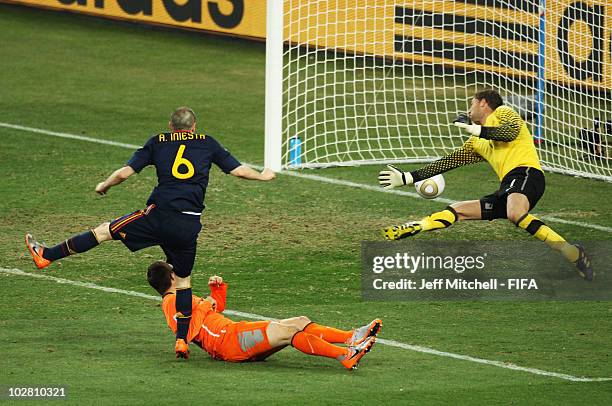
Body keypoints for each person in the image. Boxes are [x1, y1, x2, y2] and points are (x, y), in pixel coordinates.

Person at [25, 107, 276, 358]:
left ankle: (47, 255)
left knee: (103, 232)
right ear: (194, 126)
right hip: (187, 225)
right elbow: (239, 171)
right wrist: (263, 177)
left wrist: (105, 185)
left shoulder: (158, 142)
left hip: (156, 217)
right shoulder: (207, 143)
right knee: (183, 282)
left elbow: (125, 173)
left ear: (170, 125)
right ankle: (181, 341)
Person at [378, 89, 593, 280]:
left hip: (527, 174)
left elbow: (509, 133)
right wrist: (408, 177)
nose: (469, 109)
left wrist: (477, 130)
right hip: (509, 186)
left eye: (471, 103)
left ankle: (567, 251)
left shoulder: (503, 113)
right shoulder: (476, 143)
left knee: (514, 213)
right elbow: (448, 162)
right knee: (459, 210)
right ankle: (418, 226)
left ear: (483, 103)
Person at [147, 261, 381, 370]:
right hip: (228, 341)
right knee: (289, 332)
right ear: (170, 279)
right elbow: (187, 329)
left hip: (232, 334)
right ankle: (345, 355)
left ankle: (351, 337)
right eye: (174, 270)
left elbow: (212, 311)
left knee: (299, 321)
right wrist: (206, 304)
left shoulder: (183, 297)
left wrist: (215, 291)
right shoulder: (170, 302)